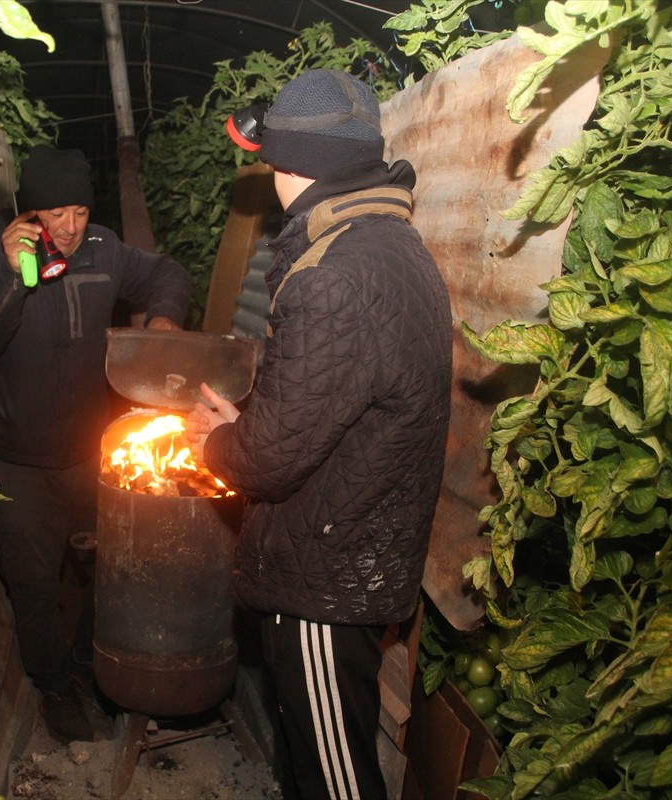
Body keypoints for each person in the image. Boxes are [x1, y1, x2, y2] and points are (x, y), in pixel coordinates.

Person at [186, 69, 452, 800]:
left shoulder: (333, 275)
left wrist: (216, 440)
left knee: (337, 780)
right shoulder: (389, 246)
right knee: (314, 762)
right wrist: (256, 422)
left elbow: (268, 462)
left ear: (291, 164)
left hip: (326, 580)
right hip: (352, 546)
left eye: (270, 157)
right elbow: (330, 408)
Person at [0, 145, 192, 744]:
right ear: (28, 213)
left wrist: (163, 322)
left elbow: (167, 273)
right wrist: (14, 276)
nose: (69, 228)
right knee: (33, 583)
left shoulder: (104, 250)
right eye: (54, 214)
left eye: (79, 211)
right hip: (20, 461)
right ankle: (54, 685)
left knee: (108, 565)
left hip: (92, 453)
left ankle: (88, 661)